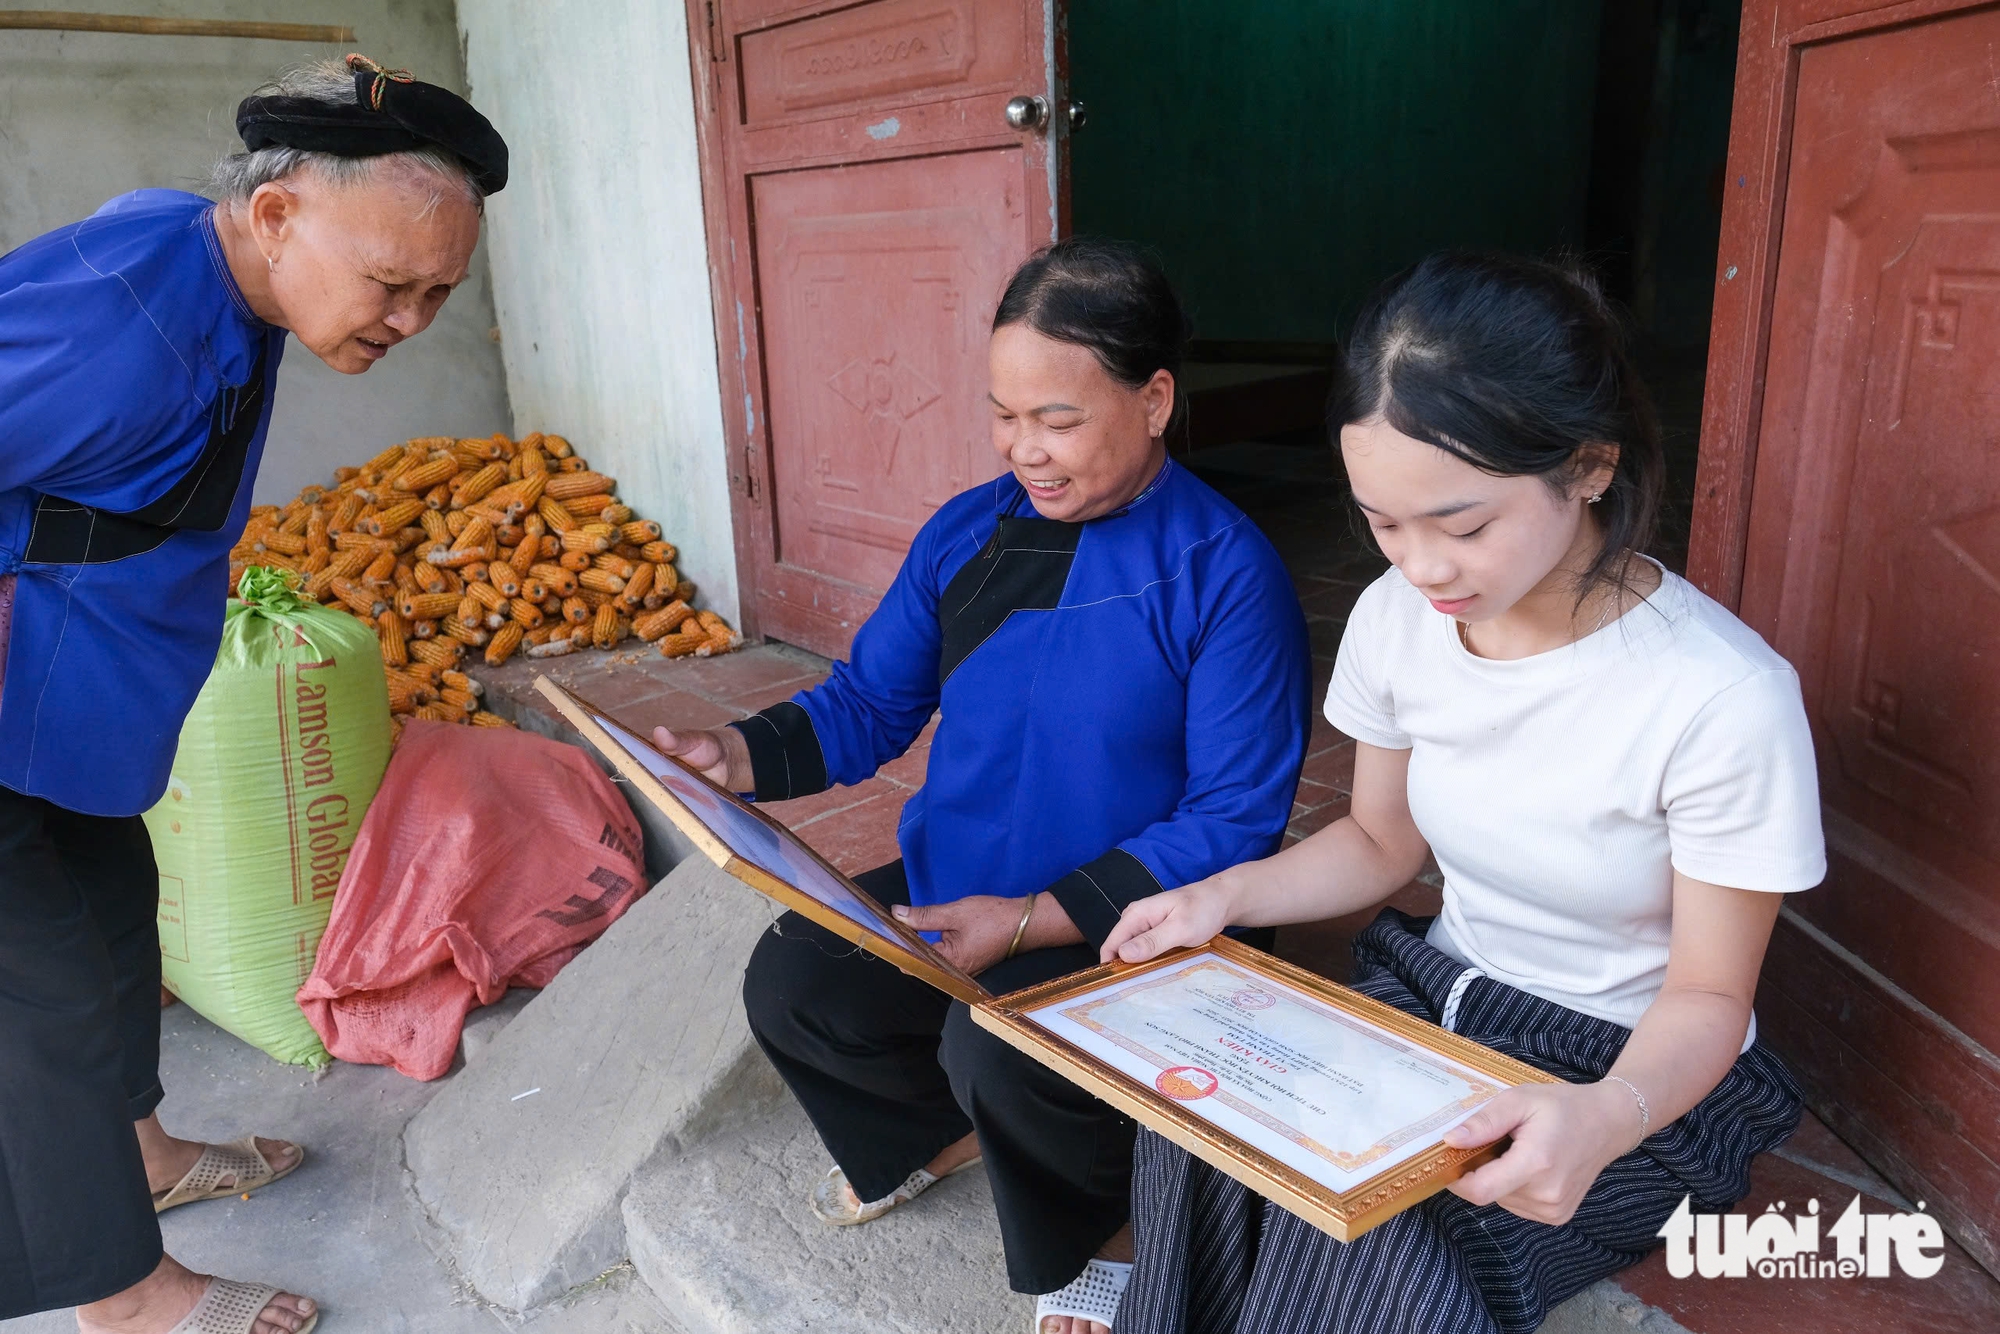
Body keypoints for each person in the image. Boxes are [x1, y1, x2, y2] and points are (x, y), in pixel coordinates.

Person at [1099, 252, 1825, 1334]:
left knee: (1373, 1229)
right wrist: (1223, 896)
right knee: (1205, 1109)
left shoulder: (1720, 697)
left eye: (1463, 523)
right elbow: (1381, 840)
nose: (1422, 565)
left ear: (1586, 466)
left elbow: (1707, 1000)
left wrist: (1598, 1117)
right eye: (1382, 523)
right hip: (1434, 1004)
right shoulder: (1401, 616)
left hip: (1616, 1068)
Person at [653, 238, 1310, 1334]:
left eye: (1056, 419)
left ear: (1153, 399)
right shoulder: (970, 532)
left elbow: (1236, 817)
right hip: (963, 875)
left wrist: (1027, 921)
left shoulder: (1226, 571)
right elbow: (867, 703)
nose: (1024, 450)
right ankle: (937, 1138)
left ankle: (1099, 1241)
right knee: (794, 981)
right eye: (1003, 415)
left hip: (1136, 913)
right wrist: (736, 753)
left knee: (1002, 1049)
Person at [0, 55, 507, 1334]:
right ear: (276, 212)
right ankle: (120, 1293)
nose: (410, 320)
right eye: (392, 283)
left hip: (70, 702)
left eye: (439, 293)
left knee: (114, 920)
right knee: (36, 993)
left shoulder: (215, 258)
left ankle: (146, 1157)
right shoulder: (125, 322)